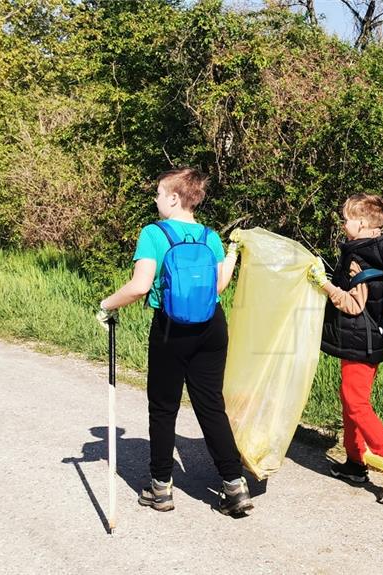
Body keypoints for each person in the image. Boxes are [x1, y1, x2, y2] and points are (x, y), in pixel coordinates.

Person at [95, 167, 252, 516]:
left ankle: (161, 489)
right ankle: (234, 486)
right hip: (212, 326)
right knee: (211, 405)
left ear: (173, 198)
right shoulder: (210, 236)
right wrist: (231, 254)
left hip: (171, 329)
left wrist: (106, 305)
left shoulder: (154, 233)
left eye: (158, 193)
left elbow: (139, 286)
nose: (155, 200)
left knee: (164, 408)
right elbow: (219, 288)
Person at [308, 193, 383, 504]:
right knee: (350, 399)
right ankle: (355, 463)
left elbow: (353, 305)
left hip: (362, 339)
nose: (343, 225)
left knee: (356, 403)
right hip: (368, 338)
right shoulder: (380, 250)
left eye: (346, 220)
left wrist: (324, 284)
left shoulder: (361, 256)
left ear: (359, 223)